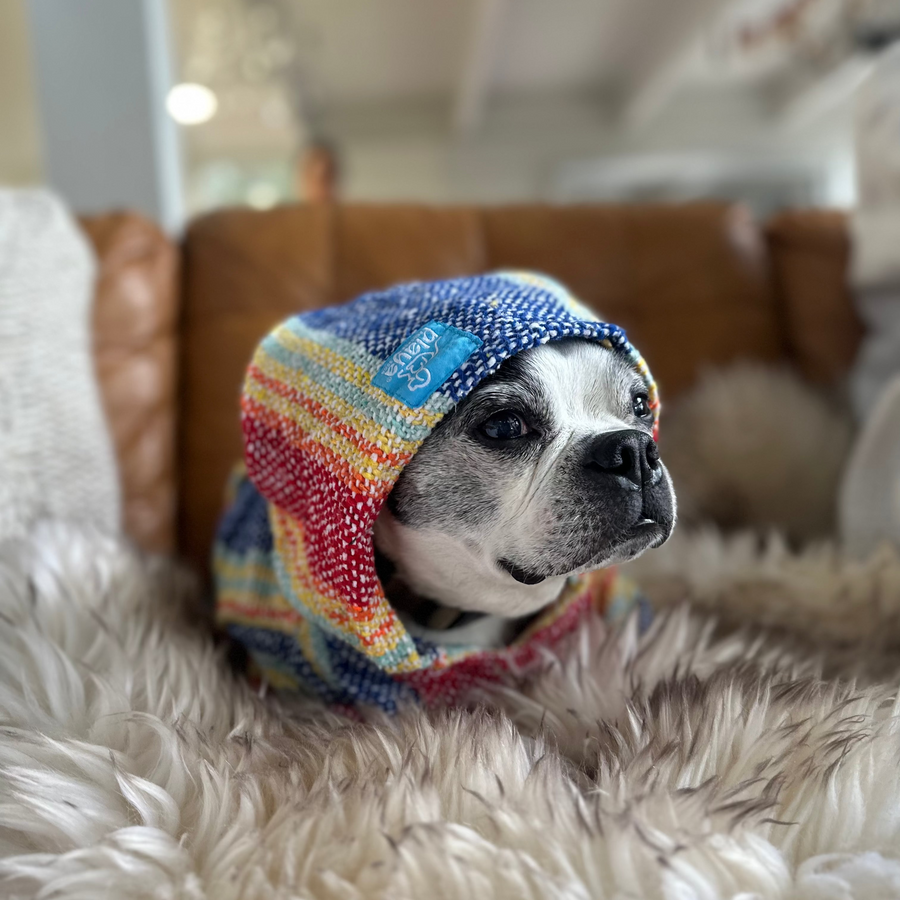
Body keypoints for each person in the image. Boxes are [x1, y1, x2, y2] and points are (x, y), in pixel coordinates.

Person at [296, 139, 340, 204]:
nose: (320, 190)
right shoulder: (285, 212)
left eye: (327, 178)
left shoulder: (350, 212)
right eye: (311, 177)